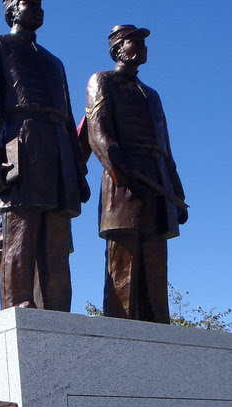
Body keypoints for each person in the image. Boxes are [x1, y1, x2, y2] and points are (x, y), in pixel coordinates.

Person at [0, 0, 89, 312]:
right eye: (30, 3)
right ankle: (18, 303)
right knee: (20, 233)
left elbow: (68, 119)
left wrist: (78, 170)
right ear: (11, 9)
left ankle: (57, 307)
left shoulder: (55, 62)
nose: (38, 9)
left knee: (57, 241)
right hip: (21, 142)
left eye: (41, 5)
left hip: (58, 151)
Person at [85, 24, 187, 323]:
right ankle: (121, 325)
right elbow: (98, 130)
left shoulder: (151, 94)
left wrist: (177, 192)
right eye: (134, 42)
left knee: (155, 255)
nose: (142, 48)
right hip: (124, 178)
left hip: (157, 178)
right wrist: (120, 170)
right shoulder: (102, 80)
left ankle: (158, 324)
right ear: (117, 49)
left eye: (143, 43)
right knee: (124, 254)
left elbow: (165, 146)